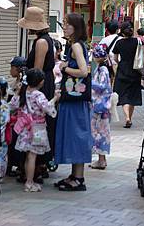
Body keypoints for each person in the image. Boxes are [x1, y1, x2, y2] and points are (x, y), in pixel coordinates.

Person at [54, 13, 93, 191]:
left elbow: (84, 71)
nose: (64, 27)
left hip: (74, 98)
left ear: (75, 27)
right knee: (76, 135)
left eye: (66, 24)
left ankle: (78, 178)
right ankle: (75, 175)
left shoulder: (76, 46)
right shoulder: (77, 45)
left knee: (76, 135)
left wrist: (65, 68)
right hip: (76, 97)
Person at [18, 6, 57, 174]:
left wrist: (28, 87)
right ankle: (39, 163)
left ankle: (38, 163)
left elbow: (37, 69)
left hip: (41, 84)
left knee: (37, 121)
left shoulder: (41, 42)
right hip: (45, 82)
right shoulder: (46, 40)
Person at [9, 68, 60, 192]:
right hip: (36, 129)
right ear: (41, 82)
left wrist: (16, 92)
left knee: (28, 155)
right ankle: (29, 182)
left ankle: (28, 179)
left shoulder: (24, 92)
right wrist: (55, 98)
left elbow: (13, 105)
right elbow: (47, 108)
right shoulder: (38, 94)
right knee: (32, 155)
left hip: (25, 129)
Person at [113, 22, 143, 128]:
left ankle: (127, 118)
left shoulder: (119, 43)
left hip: (123, 70)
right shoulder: (137, 41)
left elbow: (115, 59)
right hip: (135, 70)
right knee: (133, 95)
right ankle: (130, 117)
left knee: (124, 95)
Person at [90, 44, 113, 170]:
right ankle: (101, 159)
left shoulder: (102, 69)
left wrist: (90, 82)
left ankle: (101, 159)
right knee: (101, 131)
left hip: (100, 105)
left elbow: (102, 85)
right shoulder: (102, 68)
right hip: (101, 104)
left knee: (100, 131)